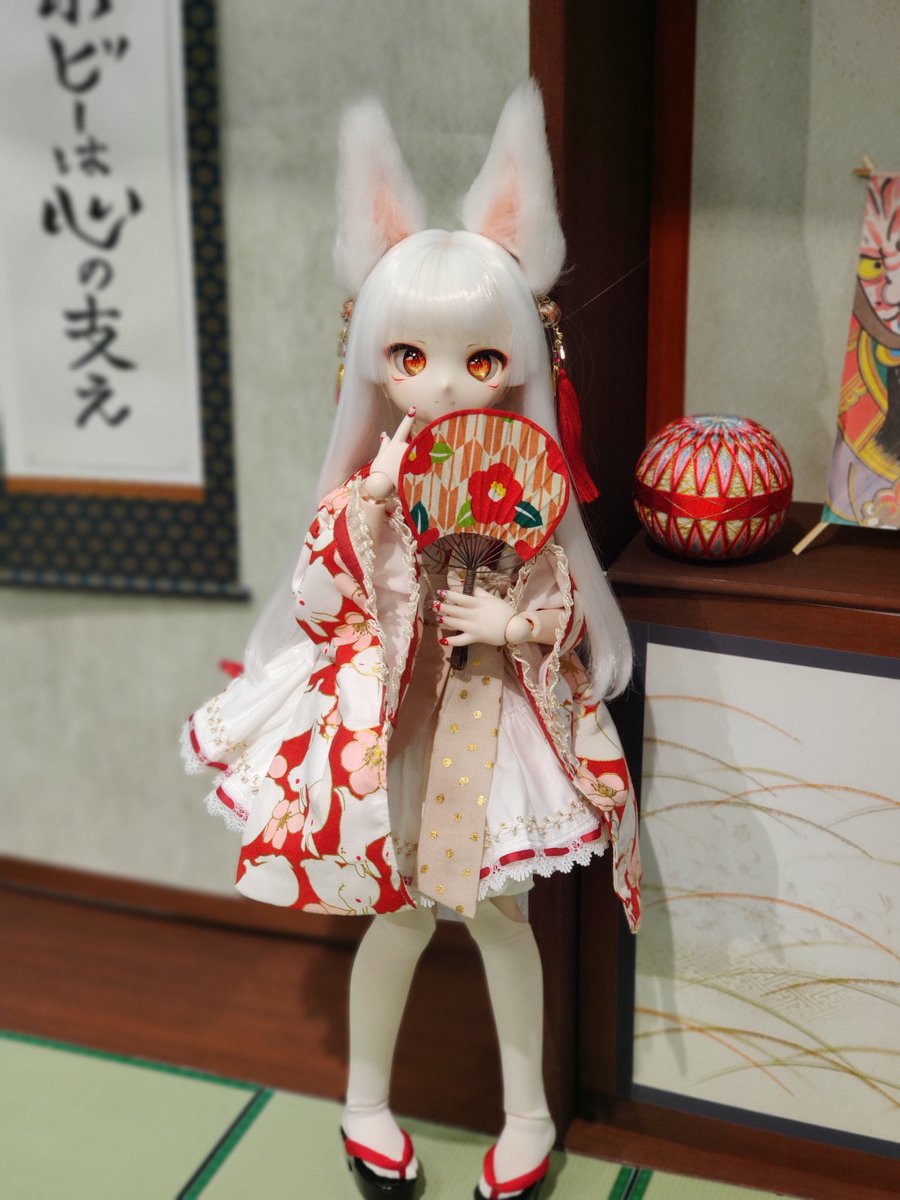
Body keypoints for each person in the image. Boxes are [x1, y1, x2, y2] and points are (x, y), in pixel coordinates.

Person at [183, 82, 640, 1200]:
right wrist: (374, 505)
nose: (438, 387)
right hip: (389, 714)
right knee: (394, 922)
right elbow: (324, 597)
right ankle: (366, 1102)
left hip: (494, 708)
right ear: (374, 360)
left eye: (479, 362)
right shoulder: (369, 485)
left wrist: (514, 622)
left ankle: (527, 1115)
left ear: (520, 358)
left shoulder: (524, 477)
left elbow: (564, 596)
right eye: (409, 359)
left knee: (501, 922)